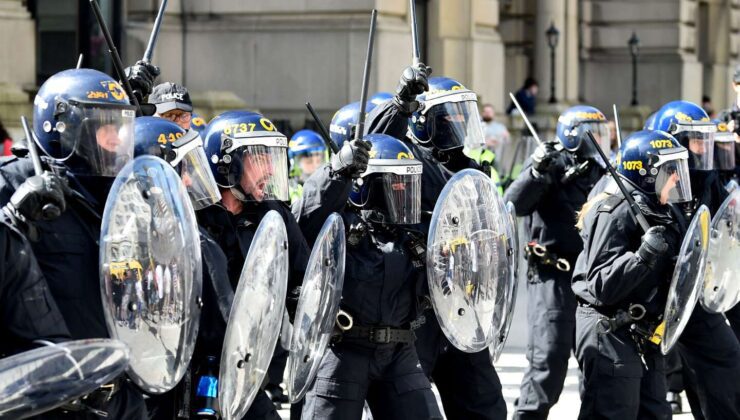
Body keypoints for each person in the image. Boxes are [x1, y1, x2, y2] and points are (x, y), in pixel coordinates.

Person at [0, 68, 148, 418]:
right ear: (63, 127)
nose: (117, 139)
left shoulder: (125, 193)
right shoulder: (13, 180)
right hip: (46, 399)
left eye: (121, 126)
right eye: (104, 127)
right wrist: (11, 215)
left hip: (120, 392)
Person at [365, 68, 508, 420]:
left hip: (463, 305)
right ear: (425, 121)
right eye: (449, 116)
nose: (458, 123)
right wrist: (401, 103)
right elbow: (371, 144)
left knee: (485, 403)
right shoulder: (407, 160)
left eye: (463, 115)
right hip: (418, 310)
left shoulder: (470, 169)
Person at [293, 132, 442, 420]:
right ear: (365, 186)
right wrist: (336, 171)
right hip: (343, 352)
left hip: (400, 352)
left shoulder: (414, 235)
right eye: (395, 184)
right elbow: (302, 221)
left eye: (408, 184)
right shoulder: (338, 226)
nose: (404, 192)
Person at [199, 110, 314, 420]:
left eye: (271, 158)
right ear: (227, 164)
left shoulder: (274, 214)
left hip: (251, 366)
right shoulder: (192, 216)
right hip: (193, 372)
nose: (270, 167)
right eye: (259, 158)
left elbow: (301, 278)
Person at [572, 129, 690, 419]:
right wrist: (642, 257)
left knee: (656, 413)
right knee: (613, 413)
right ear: (647, 173)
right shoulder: (614, 211)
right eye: (669, 170)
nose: (676, 178)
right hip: (610, 328)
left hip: (644, 332)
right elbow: (601, 284)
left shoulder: (662, 209)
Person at [504, 105, 610, 419]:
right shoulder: (548, 162)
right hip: (553, 275)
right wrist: (537, 171)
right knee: (548, 359)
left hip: (590, 279)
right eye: (595, 133)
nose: (602, 140)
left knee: (598, 361)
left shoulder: (602, 170)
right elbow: (514, 203)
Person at [130, 115, 236, 419]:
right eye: (182, 169)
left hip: (175, 385)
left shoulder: (108, 231)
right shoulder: (192, 241)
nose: (189, 181)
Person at [649, 100, 740, 420]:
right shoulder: (652, 178)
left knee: (725, 359)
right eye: (695, 140)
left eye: (706, 139)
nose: (703, 147)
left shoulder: (707, 178)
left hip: (695, 290)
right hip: (651, 297)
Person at [287, 129, 327, 202]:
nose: (315, 166)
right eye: (309, 162)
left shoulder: (329, 187)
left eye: (318, 161)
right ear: (295, 163)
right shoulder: (286, 192)